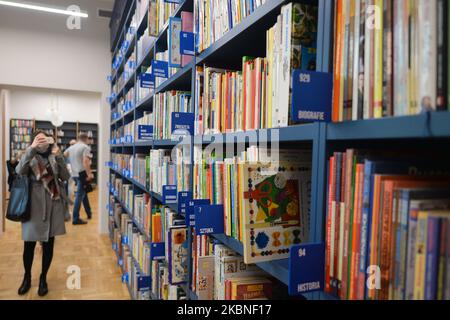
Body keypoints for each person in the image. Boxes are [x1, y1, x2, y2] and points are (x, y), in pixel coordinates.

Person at [15, 130, 71, 297]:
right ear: (33, 141)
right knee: (29, 245)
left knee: (48, 245)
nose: (42, 142)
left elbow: (65, 176)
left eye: (45, 139)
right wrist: (31, 148)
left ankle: (43, 277)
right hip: (33, 205)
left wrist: (59, 154)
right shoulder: (28, 155)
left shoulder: (54, 155)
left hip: (53, 204)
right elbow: (19, 171)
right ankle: (27, 277)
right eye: (38, 139)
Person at [64, 133, 94, 225]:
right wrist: (89, 174)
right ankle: (75, 218)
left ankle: (89, 213)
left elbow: (65, 154)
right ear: (86, 139)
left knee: (83, 192)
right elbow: (86, 161)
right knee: (79, 196)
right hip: (81, 174)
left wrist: (74, 160)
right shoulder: (85, 147)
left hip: (73, 173)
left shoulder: (72, 147)